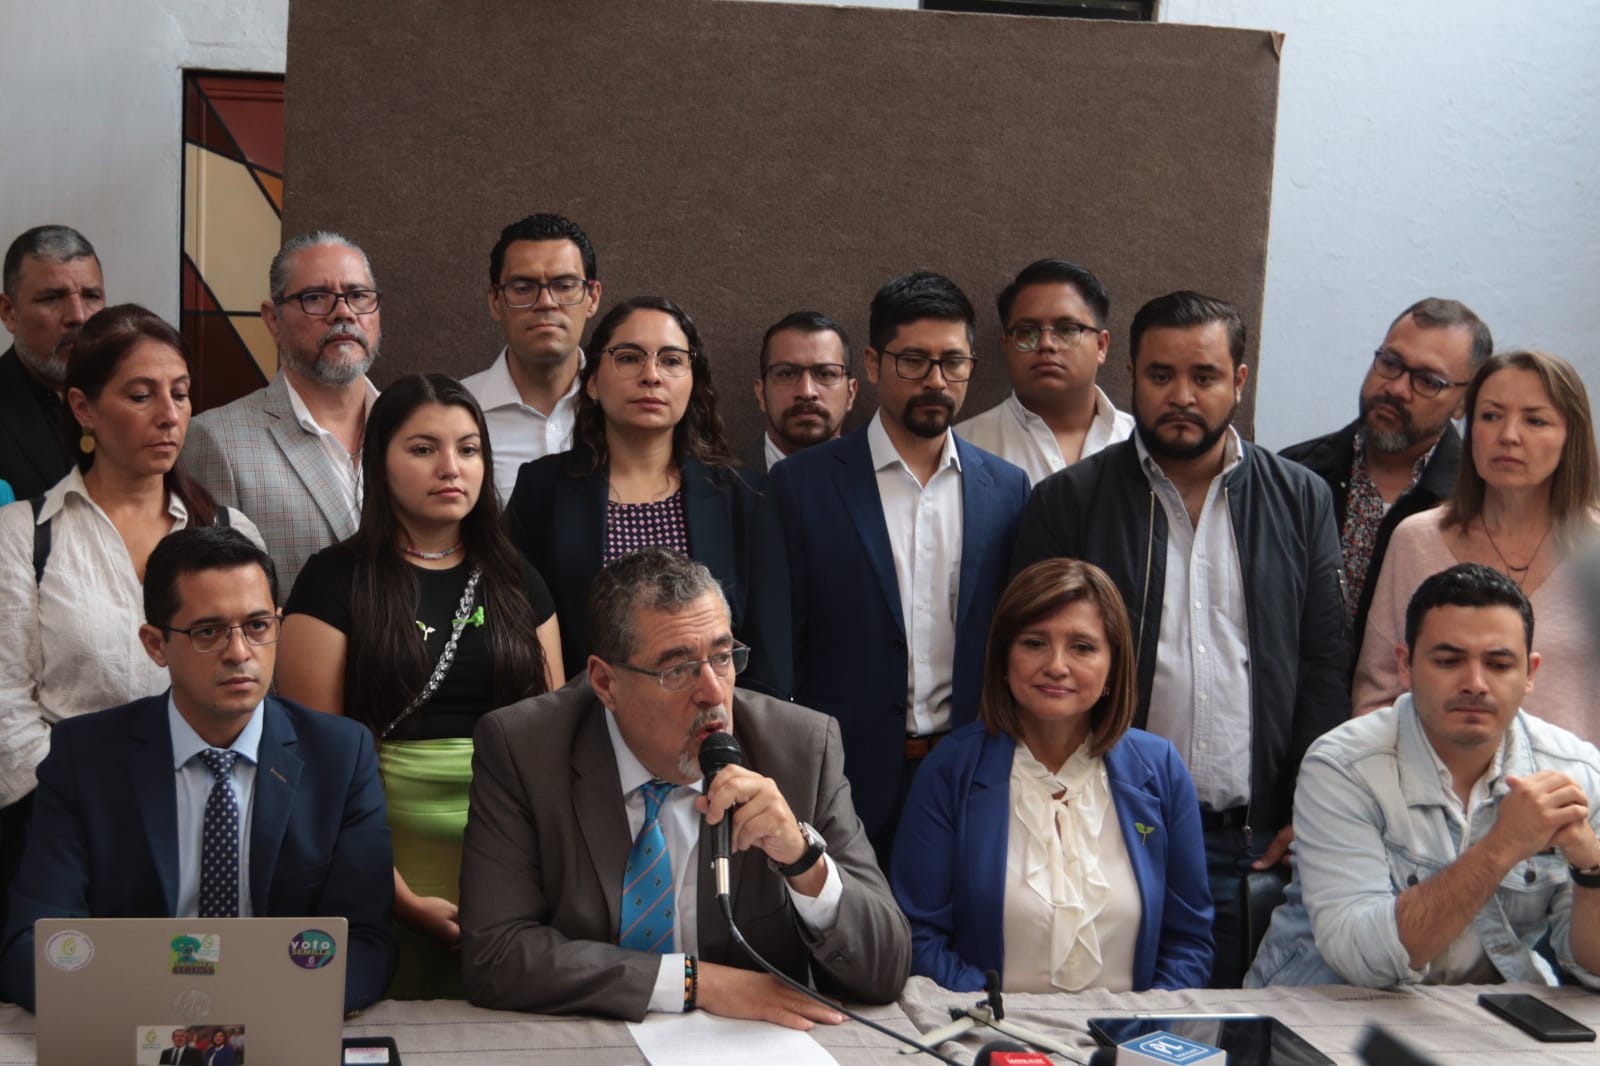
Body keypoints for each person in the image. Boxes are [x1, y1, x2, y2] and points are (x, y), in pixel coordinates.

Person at [1011, 291, 1350, 986]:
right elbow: (1031, 669)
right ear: (1131, 375)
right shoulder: (1067, 503)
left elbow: (1322, 664)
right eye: (1161, 376)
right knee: (1099, 1026)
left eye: (1205, 376)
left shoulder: (1302, 497)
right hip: (1102, 828)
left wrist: (1310, 810)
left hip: (1249, 843)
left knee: (1223, 1040)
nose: (1182, 396)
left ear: (1240, 381)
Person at [458, 547, 911, 1025]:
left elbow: (885, 971)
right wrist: (697, 982)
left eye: (722, 657)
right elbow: (496, 954)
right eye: (677, 670)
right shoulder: (524, 749)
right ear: (605, 683)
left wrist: (803, 861)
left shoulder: (800, 749)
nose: (713, 692)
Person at [0, 526, 397, 1012]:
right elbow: (31, 942)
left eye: (257, 626)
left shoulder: (340, 755)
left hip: (279, 1020)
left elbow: (367, 943)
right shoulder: (86, 758)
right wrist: (152, 1010)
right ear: (156, 644)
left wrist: (260, 1008)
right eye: (208, 631)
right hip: (132, 1024)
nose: (238, 652)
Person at [277, 373, 561, 998]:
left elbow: (553, 746)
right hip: (370, 854)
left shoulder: (520, 581)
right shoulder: (331, 582)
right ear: (379, 463)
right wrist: (397, 894)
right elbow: (311, 769)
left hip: (510, 858)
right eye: (423, 448)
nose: (450, 467)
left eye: (468, 448)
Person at [770, 271, 1030, 861]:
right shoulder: (803, 485)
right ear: (871, 361)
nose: (936, 381)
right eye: (913, 360)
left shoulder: (1007, 489)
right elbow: (784, 646)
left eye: (953, 362)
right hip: (843, 779)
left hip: (972, 769)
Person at [1248, 564, 1600, 988]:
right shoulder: (1342, 766)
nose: (1475, 683)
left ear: (1530, 674)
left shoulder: (1576, 770)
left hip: (1489, 1022)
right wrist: (1503, 845)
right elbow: (1364, 960)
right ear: (1405, 665)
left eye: (1499, 664)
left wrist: (1591, 867)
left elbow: (1591, 967)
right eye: (1449, 660)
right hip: (1330, 1012)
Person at [892, 559, 1213, 992]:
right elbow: (918, 936)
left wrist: (1140, 1033)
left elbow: (1189, 942)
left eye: (1082, 647)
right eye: (1034, 643)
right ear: (1004, 657)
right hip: (990, 1037)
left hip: (1129, 1041)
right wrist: (999, 1019)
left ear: (1113, 666)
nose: (1057, 665)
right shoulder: (951, 769)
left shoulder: (1161, 769)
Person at [0, 305, 263, 809]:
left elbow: (257, 686)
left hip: (212, 806)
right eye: (141, 396)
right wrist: (98, 804)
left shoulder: (229, 532)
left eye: (181, 394)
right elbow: (8, 709)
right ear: (83, 408)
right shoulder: (25, 535)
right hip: (67, 816)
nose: (169, 414)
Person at [506, 296, 791, 697]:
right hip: (581, 729)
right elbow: (519, 634)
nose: (651, 375)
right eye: (628, 358)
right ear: (591, 381)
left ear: (694, 381)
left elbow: (770, 656)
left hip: (717, 730)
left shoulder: (746, 495)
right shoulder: (542, 490)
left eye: (671, 360)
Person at [1354, 351, 1600, 737]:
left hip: (1574, 790)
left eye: (1535, 420)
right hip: (1431, 789)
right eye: (1490, 416)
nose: (1508, 435)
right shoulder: (1416, 539)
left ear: (1572, 435)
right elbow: (1377, 691)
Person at [1281, 298, 1492, 645]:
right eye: (1390, 363)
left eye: (1428, 381)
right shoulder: (1295, 475)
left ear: (1463, 404)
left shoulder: (1478, 499)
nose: (1395, 388)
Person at [182, 231, 382, 591]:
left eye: (358, 295)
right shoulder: (217, 440)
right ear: (273, 319)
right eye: (316, 297)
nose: (343, 312)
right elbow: (213, 601)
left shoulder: (413, 426)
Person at [462, 213, 602, 502]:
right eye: (523, 288)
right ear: (494, 301)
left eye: (564, 286)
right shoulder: (454, 411)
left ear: (593, 297)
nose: (546, 302)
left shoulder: (626, 405)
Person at [957, 258, 1133, 486]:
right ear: (1007, 346)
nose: (1046, 344)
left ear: (1101, 346)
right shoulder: (962, 449)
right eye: (1026, 331)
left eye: (1067, 330)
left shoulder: (1143, 445)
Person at [0, 225, 106, 500]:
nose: (79, 316)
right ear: (8, 312)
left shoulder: (132, 400)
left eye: (91, 296)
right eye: (52, 298)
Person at [746, 310, 857, 470]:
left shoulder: (882, 483)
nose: (807, 392)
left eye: (825, 373)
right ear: (761, 393)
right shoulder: (718, 489)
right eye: (787, 374)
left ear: (851, 394)